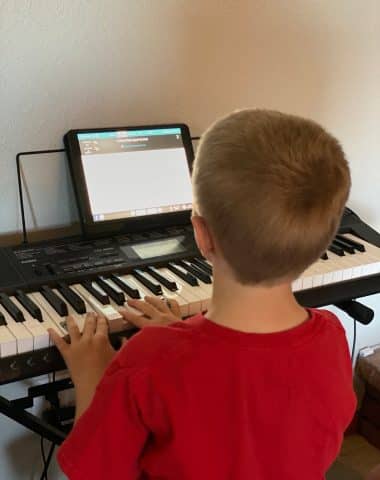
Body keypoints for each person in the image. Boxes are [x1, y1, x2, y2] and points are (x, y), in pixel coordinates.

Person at [50, 109, 357, 480]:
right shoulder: (331, 335)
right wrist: (182, 335)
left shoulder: (149, 360)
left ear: (202, 234)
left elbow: (94, 474)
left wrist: (91, 376)